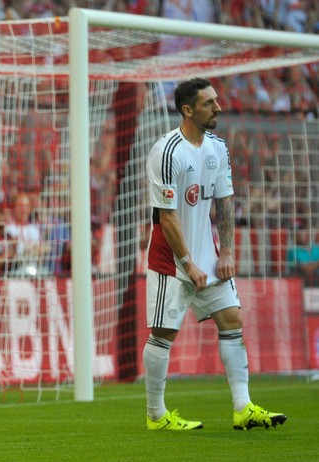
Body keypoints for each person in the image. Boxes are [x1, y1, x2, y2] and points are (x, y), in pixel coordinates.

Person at [143, 77, 286, 431]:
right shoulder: (167, 151)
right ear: (188, 110)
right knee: (163, 333)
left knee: (232, 320)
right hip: (171, 261)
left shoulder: (218, 148)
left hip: (208, 255)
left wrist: (226, 253)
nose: (218, 107)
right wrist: (188, 263)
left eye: (216, 101)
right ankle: (156, 415)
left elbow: (224, 201)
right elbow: (166, 215)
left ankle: (243, 407)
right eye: (209, 103)